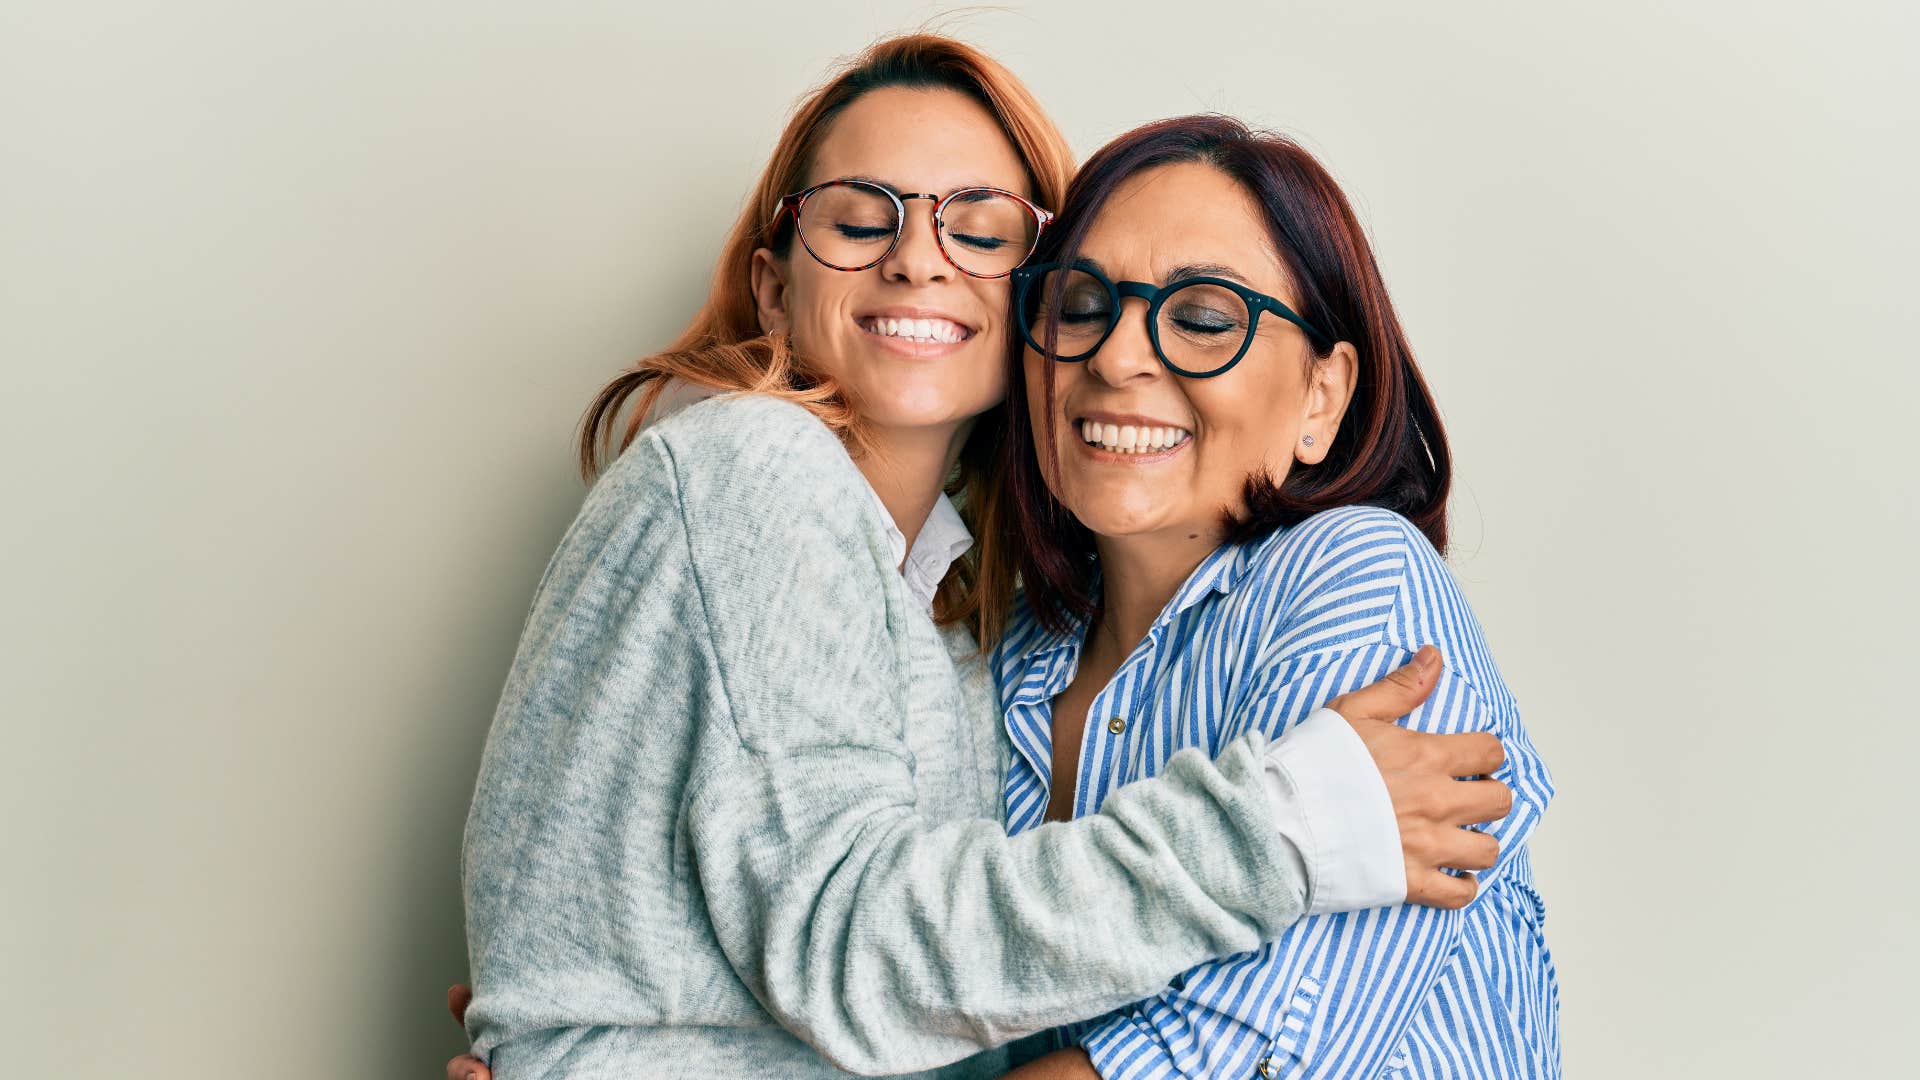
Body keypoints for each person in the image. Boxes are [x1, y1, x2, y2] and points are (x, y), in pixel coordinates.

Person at [450, 35, 1510, 1080]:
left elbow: (1205, 1038)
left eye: (980, 229)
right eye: (862, 220)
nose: (917, 258)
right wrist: (1283, 825)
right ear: (774, 291)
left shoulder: (981, 616)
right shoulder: (756, 465)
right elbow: (860, 950)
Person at [991, 115, 1557, 1078]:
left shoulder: (1362, 583)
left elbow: (1241, 1057)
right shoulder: (1006, 655)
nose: (1115, 358)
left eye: (1204, 319)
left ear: (1322, 400)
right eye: (1080, 305)